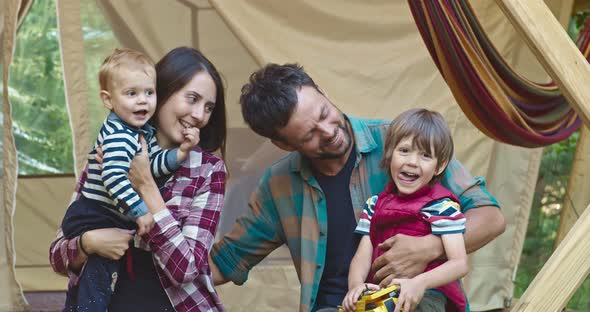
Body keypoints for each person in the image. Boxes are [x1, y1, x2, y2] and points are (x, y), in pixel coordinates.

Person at [209, 63, 505, 312]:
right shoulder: (278, 185)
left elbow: (490, 217)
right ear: (283, 144)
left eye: (324, 113)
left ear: (324, 92)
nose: (329, 132)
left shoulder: (403, 144)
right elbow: (226, 262)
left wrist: (427, 248)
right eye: (310, 133)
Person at [50, 47, 227, 312]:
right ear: (163, 92)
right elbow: (58, 257)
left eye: (209, 107)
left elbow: (186, 270)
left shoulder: (208, 171)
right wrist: (88, 243)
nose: (200, 115)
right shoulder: (109, 149)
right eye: (192, 99)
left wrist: (146, 186)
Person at [342, 109, 468, 312]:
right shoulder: (375, 205)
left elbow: (459, 263)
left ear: (440, 166)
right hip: (383, 295)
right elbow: (362, 256)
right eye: (405, 151)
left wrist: (421, 283)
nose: (412, 161)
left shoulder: (441, 207)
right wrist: (356, 286)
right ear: (390, 154)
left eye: (426, 155)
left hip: (427, 295)